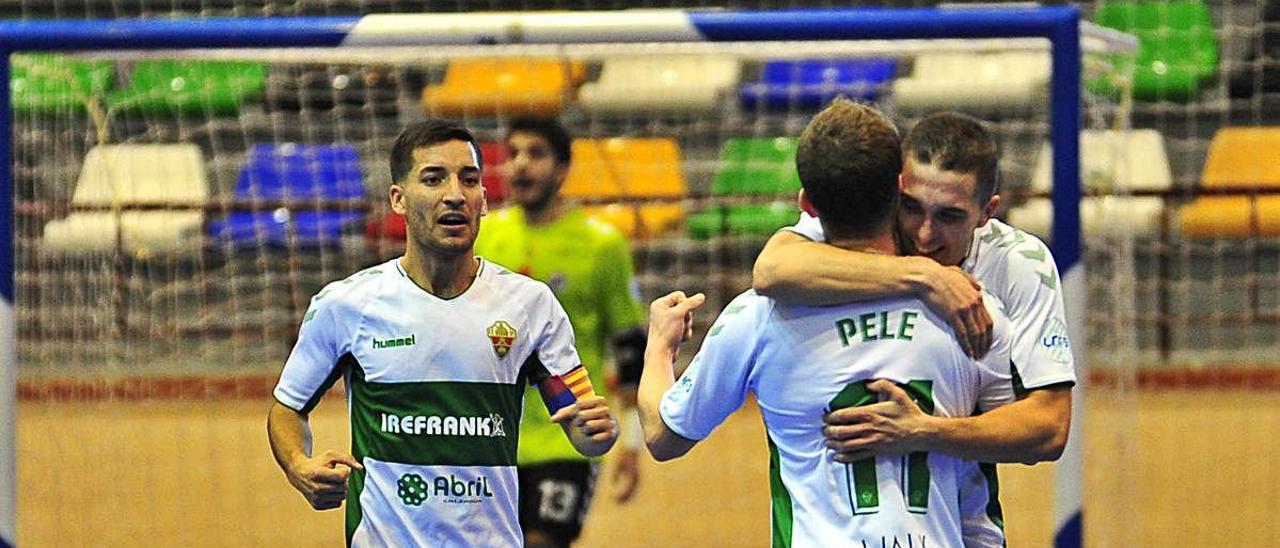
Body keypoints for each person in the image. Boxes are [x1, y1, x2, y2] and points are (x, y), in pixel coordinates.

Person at [639, 99, 1017, 546]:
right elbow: (1035, 432)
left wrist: (660, 348)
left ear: (806, 205)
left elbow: (663, 436)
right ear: (901, 189)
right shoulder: (968, 309)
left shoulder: (758, 315)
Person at [266, 118, 618, 547]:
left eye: (469, 180)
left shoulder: (531, 305)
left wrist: (598, 432)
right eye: (433, 179)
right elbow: (287, 408)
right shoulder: (346, 305)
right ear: (398, 199)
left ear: (484, 200)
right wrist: (298, 465)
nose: (454, 194)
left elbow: (581, 422)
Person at [752, 112, 1075, 467]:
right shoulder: (869, 221)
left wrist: (922, 432)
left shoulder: (1019, 262)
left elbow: (1050, 428)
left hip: (961, 515)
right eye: (911, 207)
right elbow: (771, 270)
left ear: (987, 212)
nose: (924, 235)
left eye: (949, 216)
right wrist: (925, 276)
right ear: (896, 189)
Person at [473, 117, 647, 548]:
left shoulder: (602, 244)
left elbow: (630, 350)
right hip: (490, 439)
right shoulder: (484, 237)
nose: (520, 165)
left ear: (563, 169)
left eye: (535, 153)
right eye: (512, 154)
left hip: (567, 435)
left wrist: (633, 443)